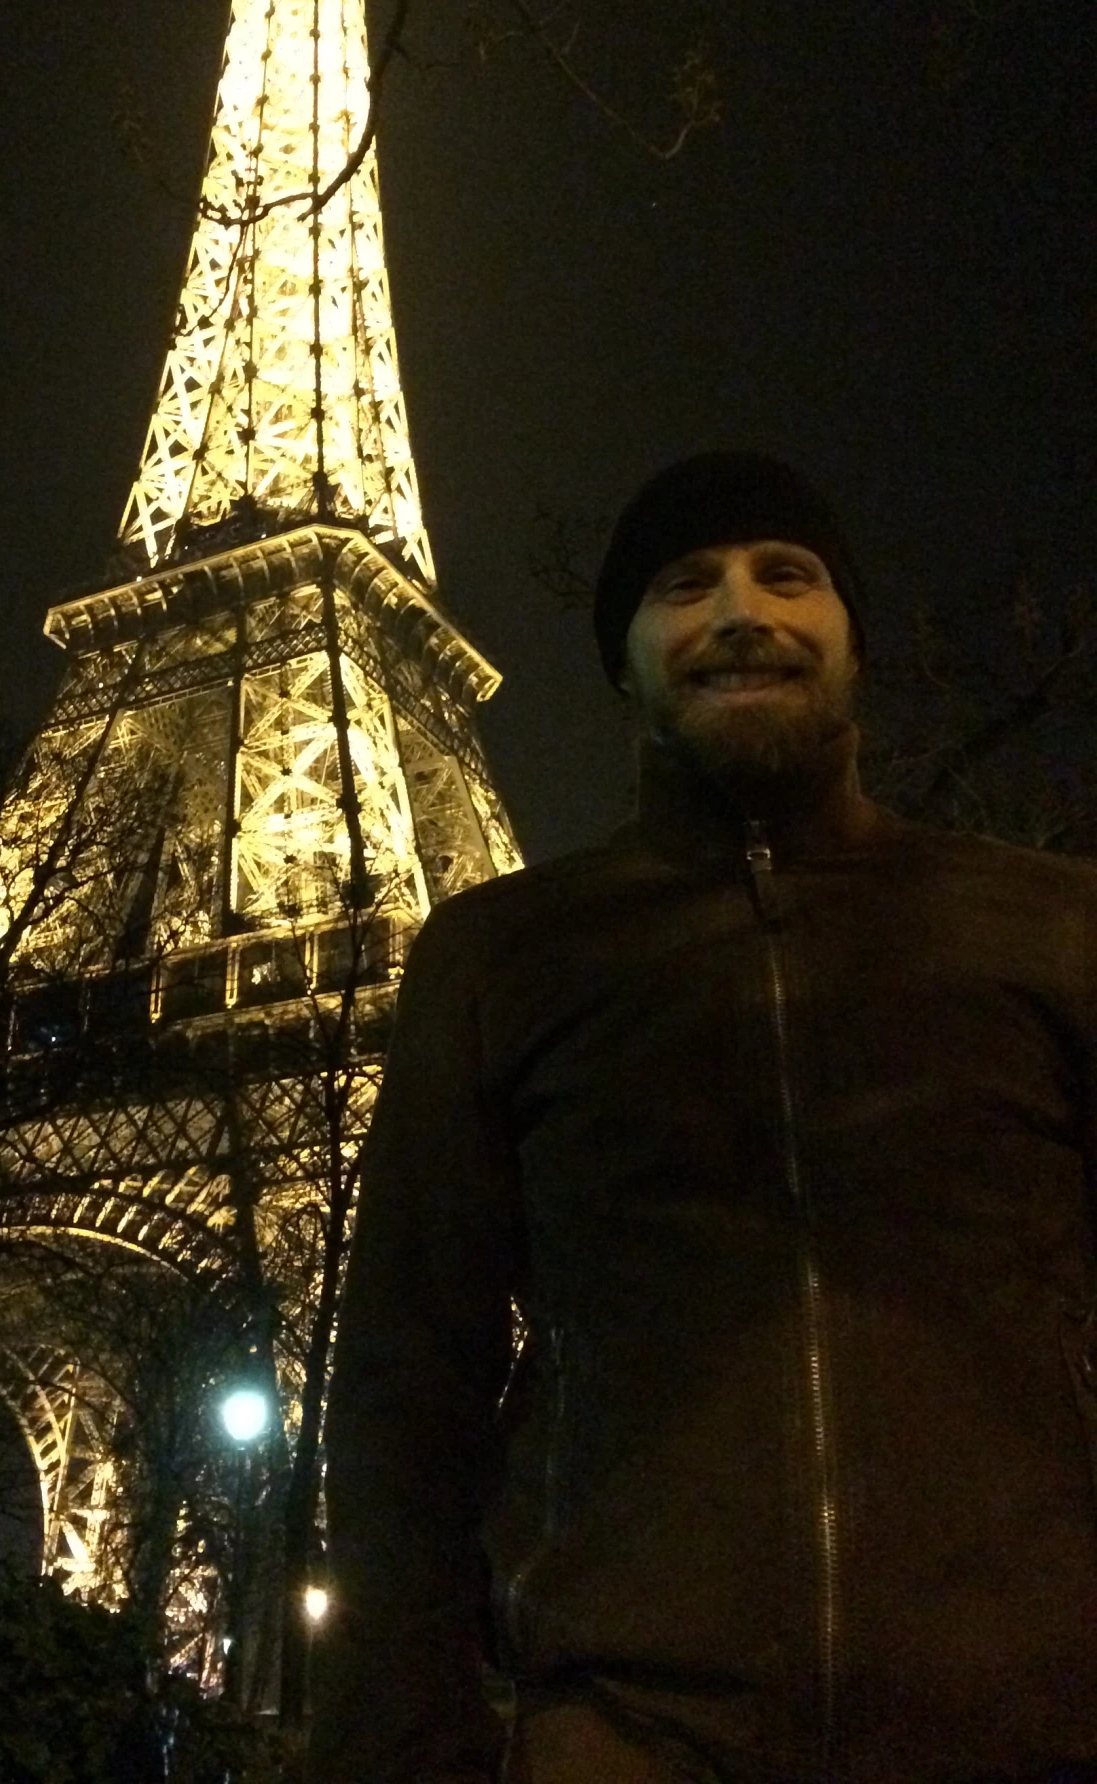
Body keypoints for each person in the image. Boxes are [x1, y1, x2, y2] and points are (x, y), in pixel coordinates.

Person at [307, 453, 1097, 1784]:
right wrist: (405, 1742)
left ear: (851, 636)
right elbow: (405, 1374)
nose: (740, 610)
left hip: (1025, 1724)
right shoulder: (506, 956)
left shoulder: (1049, 924)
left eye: (785, 576)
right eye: (686, 586)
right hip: (628, 1738)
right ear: (621, 659)